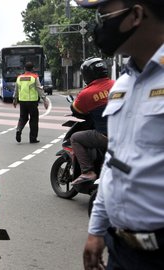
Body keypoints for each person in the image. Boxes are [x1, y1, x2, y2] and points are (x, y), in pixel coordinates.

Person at [75, 0, 164, 269]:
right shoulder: (123, 84)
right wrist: (96, 229)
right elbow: (115, 164)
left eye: (104, 15)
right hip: (121, 249)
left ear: (136, 14)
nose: (99, 26)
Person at [70, 57, 114, 185]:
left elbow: (77, 109)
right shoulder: (119, 84)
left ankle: (88, 172)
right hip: (126, 133)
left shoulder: (87, 93)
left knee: (75, 137)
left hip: (106, 135)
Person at [12, 62, 49, 143]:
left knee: (22, 118)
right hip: (32, 102)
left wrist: (14, 100)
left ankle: (19, 129)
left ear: (24, 69)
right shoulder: (34, 77)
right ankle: (33, 138)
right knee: (34, 120)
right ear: (33, 69)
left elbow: (16, 89)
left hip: (22, 101)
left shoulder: (19, 77)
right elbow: (39, 89)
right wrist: (45, 100)